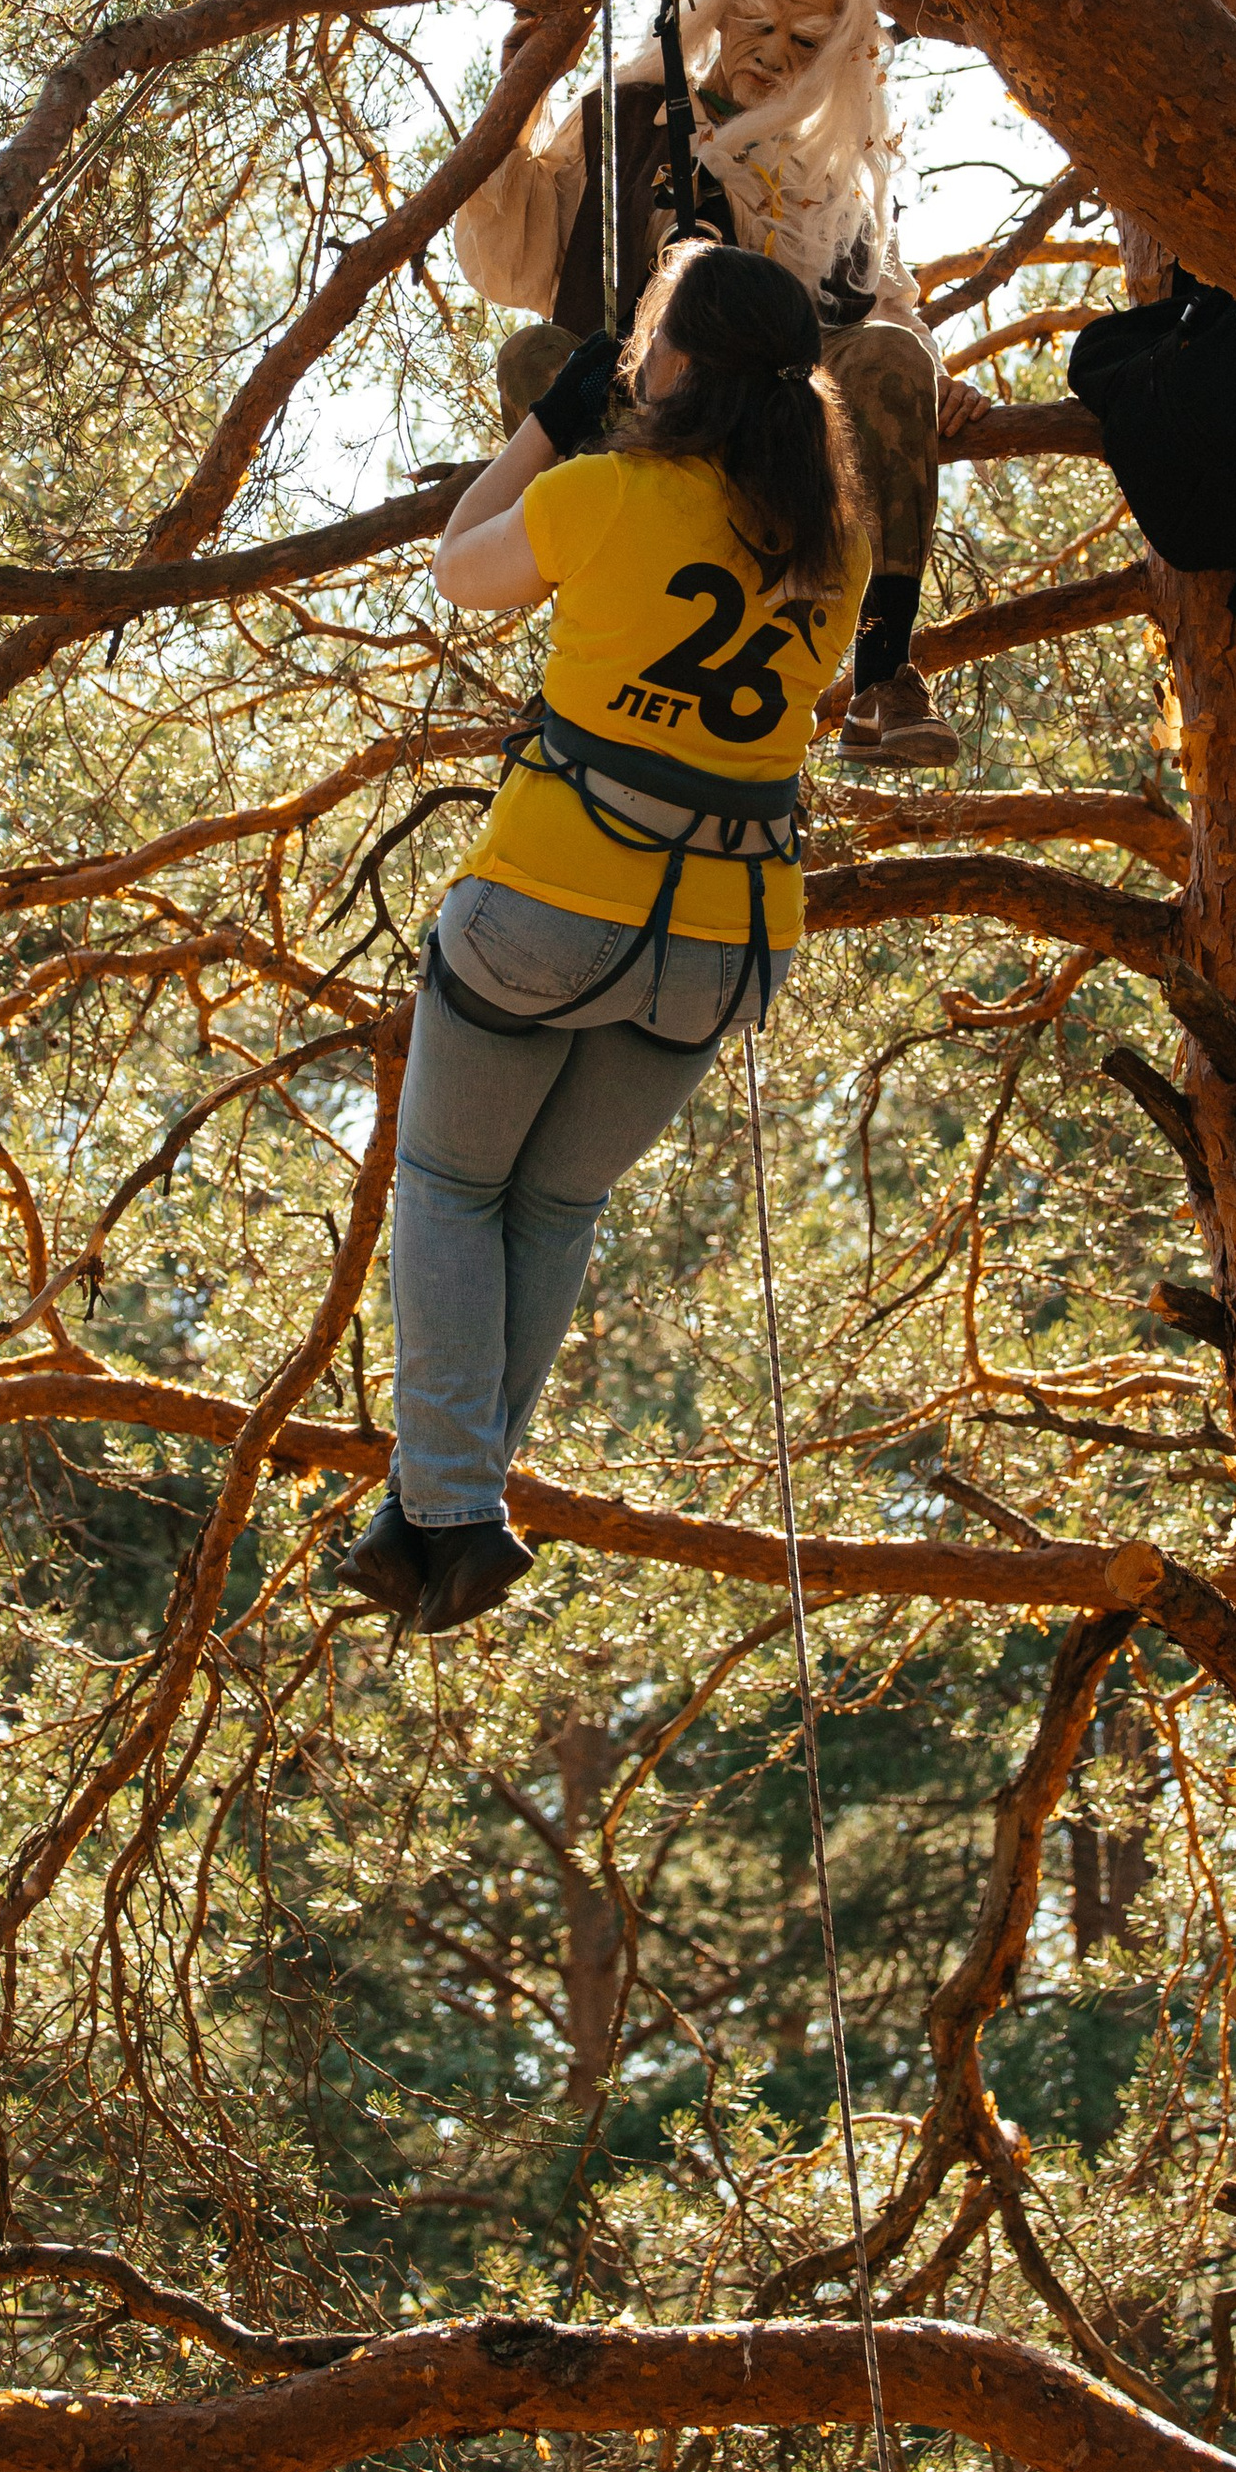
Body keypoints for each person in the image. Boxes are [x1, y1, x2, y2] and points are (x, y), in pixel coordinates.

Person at [339, 240, 871, 1638]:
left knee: (451, 1187)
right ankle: (446, 1514)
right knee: (551, 1206)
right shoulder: (840, 546)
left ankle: (447, 1507)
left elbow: (460, 566)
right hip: (722, 941)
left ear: (675, 364)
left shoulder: (602, 492)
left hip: (550, 903)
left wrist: (549, 421)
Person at [451, 0, 980, 763]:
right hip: (646, 425)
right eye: (759, 25)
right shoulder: (625, 127)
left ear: (839, 58)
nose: (775, 53)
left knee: (890, 357)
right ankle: (583, 614)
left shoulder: (841, 186)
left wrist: (925, 377)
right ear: (719, 21)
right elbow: (512, 255)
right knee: (536, 353)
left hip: (788, 446)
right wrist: (518, 100)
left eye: (806, 38)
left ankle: (884, 671)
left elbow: (885, 316)